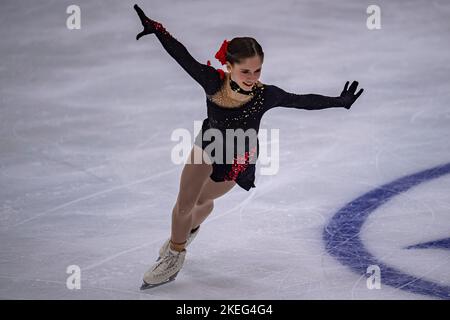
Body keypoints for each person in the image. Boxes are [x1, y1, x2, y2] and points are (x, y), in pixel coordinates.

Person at [133, 4, 364, 289]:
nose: (253, 78)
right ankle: (174, 255)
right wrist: (157, 29)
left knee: (203, 203)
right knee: (184, 203)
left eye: (258, 70)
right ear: (229, 67)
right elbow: (181, 55)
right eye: (246, 71)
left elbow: (301, 100)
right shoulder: (212, 82)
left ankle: (186, 231)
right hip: (209, 143)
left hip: (237, 159)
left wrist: (337, 101)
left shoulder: (265, 95)